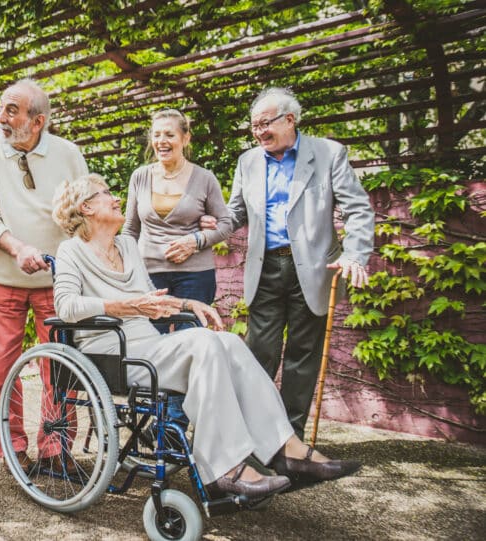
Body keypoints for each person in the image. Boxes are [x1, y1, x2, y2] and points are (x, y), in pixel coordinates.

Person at [52, 173, 361, 499]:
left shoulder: (127, 245)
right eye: (106, 193)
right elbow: (66, 305)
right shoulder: (71, 251)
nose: (116, 199)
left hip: (149, 346)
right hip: (112, 352)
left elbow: (149, 299)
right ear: (86, 207)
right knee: (202, 343)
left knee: (226, 341)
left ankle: (287, 449)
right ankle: (222, 468)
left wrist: (188, 303)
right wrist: (123, 306)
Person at [219, 87, 374, 439]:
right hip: (266, 268)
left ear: (289, 119)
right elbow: (235, 212)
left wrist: (355, 254)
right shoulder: (248, 162)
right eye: (254, 126)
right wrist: (212, 225)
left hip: (315, 269)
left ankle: (290, 440)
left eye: (264, 124)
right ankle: (254, 434)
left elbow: (358, 209)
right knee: (259, 353)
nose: (258, 132)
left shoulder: (329, 153)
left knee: (303, 357)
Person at [0, 79, 88, 469]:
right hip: (3, 278)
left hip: (58, 281)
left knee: (60, 368)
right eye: (2, 108)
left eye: (12, 110)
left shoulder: (69, 155)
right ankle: (11, 446)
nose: (1, 117)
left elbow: (82, 210)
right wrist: (18, 249)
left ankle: (55, 449)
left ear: (37, 122)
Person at [123, 109, 231, 333]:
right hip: (149, 273)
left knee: (190, 339)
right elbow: (130, 229)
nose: (162, 141)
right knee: (151, 340)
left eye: (169, 135)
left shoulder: (204, 178)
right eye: (157, 135)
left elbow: (225, 224)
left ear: (185, 138)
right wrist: (125, 267)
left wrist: (196, 240)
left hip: (195, 276)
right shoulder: (140, 177)